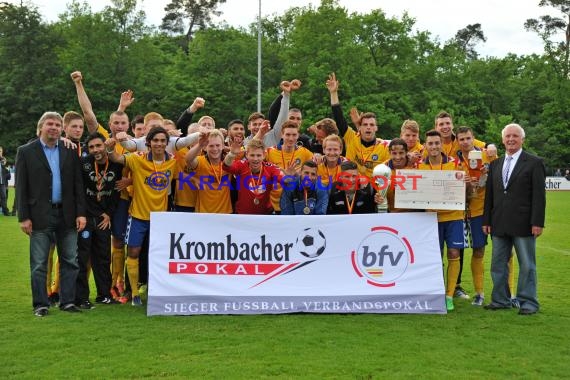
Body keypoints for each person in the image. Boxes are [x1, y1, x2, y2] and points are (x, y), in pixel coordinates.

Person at [107, 126, 197, 306]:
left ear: (167, 143)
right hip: (138, 216)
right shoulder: (137, 159)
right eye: (155, 140)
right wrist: (110, 146)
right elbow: (116, 158)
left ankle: (159, 289)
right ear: (148, 142)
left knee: (159, 255)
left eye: (163, 141)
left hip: (160, 219)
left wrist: (205, 184)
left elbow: (184, 173)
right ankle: (134, 294)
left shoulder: (172, 160)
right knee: (133, 252)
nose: (159, 144)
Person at [16, 112, 87, 317]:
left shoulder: (69, 151)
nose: (54, 127)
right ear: (41, 127)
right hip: (39, 215)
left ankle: (67, 302)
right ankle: (41, 304)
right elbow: (21, 187)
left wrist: (81, 213)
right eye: (50, 124)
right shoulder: (26, 152)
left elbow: (77, 185)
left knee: (70, 261)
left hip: (67, 214)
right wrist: (23, 217)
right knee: (39, 263)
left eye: (57, 124)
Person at [483, 123, 546, 315]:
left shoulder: (534, 163)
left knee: (527, 264)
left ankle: (528, 302)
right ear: (503, 140)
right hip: (499, 222)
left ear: (522, 140)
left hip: (524, 223)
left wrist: (537, 222)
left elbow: (539, 196)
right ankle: (500, 300)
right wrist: (486, 220)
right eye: (508, 136)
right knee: (497, 264)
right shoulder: (495, 164)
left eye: (515, 136)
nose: (511, 139)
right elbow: (490, 196)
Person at [418, 129, 465, 312]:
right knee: (435, 257)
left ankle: (449, 295)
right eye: (430, 143)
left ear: (441, 144)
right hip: (431, 218)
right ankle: (436, 292)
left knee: (453, 253)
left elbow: (464, 189)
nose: (434, 146)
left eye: (437, 143)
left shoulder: (454, 164)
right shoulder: (418, 166)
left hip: (453, 216)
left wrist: (467, 184)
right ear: (426, 145)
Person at [75, 133, 123, 309]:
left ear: (105, 146)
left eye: (98, 146)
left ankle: (104, 295)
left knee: (103, 258)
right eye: (92, 147)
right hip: (86, 218)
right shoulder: (83, 163)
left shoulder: (117, 165)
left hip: (104, 218)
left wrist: (109, 213)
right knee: (82, 258)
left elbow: (117, 192)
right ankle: (81, 297)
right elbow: (78, 191)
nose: (95, 150)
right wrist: (81, 214)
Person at [456, 126, 495, 306]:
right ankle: (480, 293)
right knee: (478, 250)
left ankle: (509, 293)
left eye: (468, 138)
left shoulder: (488, 154)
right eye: (461, 139)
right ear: (457, 141)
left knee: (506, 251)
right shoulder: (454, 161)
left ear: (474, 139)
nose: (465, 142)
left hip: (495, 210)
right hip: (474, 211)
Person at [326, 73, 389, 180]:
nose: (368, 127)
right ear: (360, 127)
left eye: (371, 124)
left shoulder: (384, 147)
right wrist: (333, 93)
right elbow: (339, 118)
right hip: (350, 184)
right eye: (365, 124)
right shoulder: (351, 138)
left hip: (373, 189)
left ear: (376, 128)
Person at [185, 129, 232, 213]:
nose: (215, 149)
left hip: (225, 213)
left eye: (218, 145)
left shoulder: (228, 162)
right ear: (205, 147)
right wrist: (200, 145)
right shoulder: (200, 162)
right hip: (203, 213)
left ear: (223, 146)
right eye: (211, 146)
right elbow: (188, 159)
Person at [0, 147, 9, 216]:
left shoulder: (3, 159)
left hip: (2, 182)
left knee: (4, 197)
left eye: (1, 151)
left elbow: (3, 165)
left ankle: (5, 211)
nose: (0, 152)